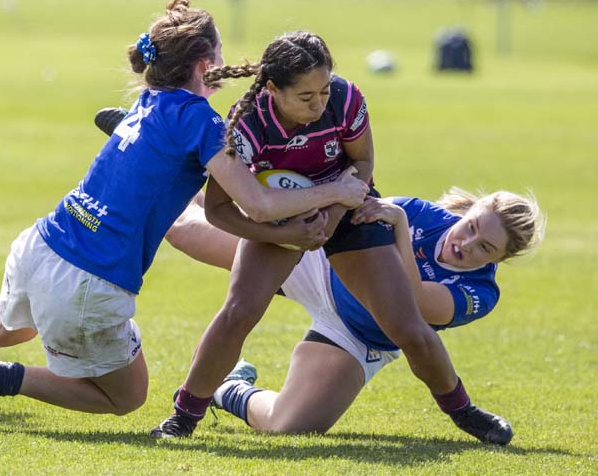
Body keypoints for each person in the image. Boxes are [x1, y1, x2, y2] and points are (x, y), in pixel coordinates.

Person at [0, 0, 370, 427]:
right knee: (126, 396)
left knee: (2, 323)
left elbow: (178, 182)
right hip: (91, 278)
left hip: (43, 244)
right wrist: (337, 191)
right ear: (205, 64)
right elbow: (257, 202)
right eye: (220, 56)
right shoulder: (200, 121)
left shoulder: (150, 101)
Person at [149, 31, 512, 444]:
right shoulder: (247, 123)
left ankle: (464, 412)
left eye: (323, 91)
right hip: (283, 219)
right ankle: (184, 416)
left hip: (346, 211)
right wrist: (284, 232)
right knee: (239, 311)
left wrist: (332, 216)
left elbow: (363, 163)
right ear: (273, 89)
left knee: (407, 326)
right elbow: (219, 210)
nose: (319, 105)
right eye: (306, 97)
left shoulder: (345, 99)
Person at [208, 189, 544, 444]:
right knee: (189, 231)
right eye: (470, 226)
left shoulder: (480, 293)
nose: (467, 243)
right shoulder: (422, 212)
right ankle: (192, 179)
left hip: (357, 335)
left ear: (499, 259)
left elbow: (414, 301)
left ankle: (228, 387)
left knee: (289, 426)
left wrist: (399, 226)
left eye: (485, 247)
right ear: (468, 212)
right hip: (321, 267)